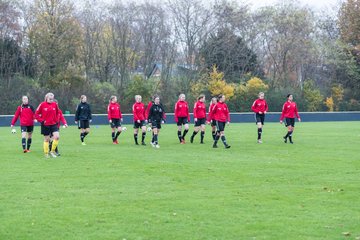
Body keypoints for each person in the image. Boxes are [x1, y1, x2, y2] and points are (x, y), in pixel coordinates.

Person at [35, 92, 61, 158]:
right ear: (47, 97)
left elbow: (58, 113)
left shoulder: (55, 104)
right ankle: (46, 153)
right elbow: (36, 114)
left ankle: (52, 151)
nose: (51, 99)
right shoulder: (42, 104)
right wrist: (41, 121)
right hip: (45, 124)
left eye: (52, 98)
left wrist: (56, 120)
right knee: (46, 139)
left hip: (53, 124)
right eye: (50, 98)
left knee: (57, 137)